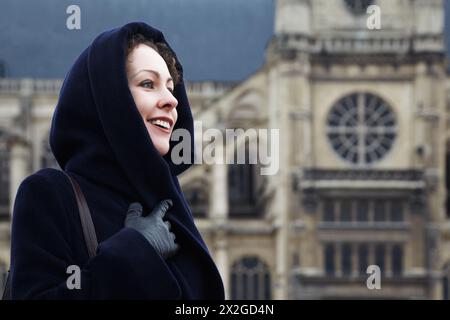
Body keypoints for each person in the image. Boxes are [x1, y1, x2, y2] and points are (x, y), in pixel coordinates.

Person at [9, 22, 225, 299]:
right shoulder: (49, 194)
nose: (171, 101)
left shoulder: (171, 206)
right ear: (110, 98)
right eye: (148, 84)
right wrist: (135, 251)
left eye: (171, 88)